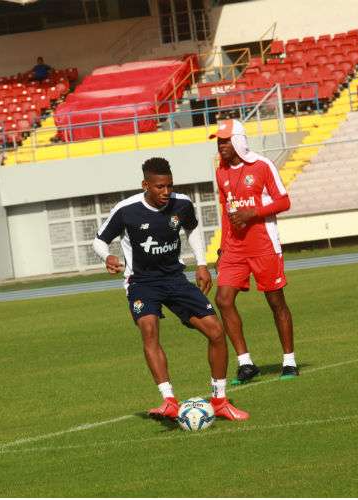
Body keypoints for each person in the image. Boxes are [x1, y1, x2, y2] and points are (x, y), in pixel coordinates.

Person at [93, 157, 249, 421]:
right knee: (150, 330)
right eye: (159, 187)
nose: (166, 192)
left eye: (169, 186)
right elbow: (99, 240)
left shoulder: (183, 204)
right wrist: (106, 256)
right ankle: (169, 401)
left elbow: (193, 229)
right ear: (145, 185)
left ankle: (220, 401)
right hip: (142, 282)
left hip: (175, 279)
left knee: (216, 331)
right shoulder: (126, 210)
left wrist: (201, 264)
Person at [210, 119, 298, 384]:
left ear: (238, 140)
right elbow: (226, 211)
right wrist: (223, 247)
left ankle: (289, 361)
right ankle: (245, 363)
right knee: (223, 299)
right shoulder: (220, 172)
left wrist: (253, 213)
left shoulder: (262, 166)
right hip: (235, 249)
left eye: (225, 140)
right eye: (218, 141)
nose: (220, 145)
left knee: (275, 302)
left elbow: (284, 201)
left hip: (262, 245)